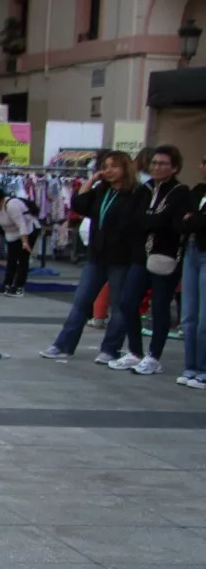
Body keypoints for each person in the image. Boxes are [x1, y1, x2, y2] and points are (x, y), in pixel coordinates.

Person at [41, 151, 146, 362]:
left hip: (122, 257)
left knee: (117, 305)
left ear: (125, 168)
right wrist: (91, 180)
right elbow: (79, 203)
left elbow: (136, 223)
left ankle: (110, 349)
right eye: (105, 166)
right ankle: (63, 345)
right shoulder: (102, 190)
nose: (108, 171)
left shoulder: (137, 193)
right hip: (97, 255)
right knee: (81, 301)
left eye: (113, 166)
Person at [109, 145, 189, 375]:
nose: (156, 167)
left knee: (160, 306)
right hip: (140, 255)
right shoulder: (144, 190)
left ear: (173, 167)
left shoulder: (180, 192)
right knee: (128, 302)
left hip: (166, 256)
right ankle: (135, 351)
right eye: (153, 163)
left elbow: (172, 223)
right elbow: (134, 219)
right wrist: (153, 219)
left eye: (162, 163)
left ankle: (154, 356)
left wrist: (152, 220)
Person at [0, 185, 37, 297]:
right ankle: (7, 284)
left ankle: (19, 287)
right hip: (11, 233)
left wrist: (25, 242)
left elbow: (21, 224)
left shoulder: (11, 205)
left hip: (28, 230)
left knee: (22, 259)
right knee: (11, 259)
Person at [178, 155, 206, 389]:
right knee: (189, 315)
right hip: (191, 250)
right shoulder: (197, 191)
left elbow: (194, 221)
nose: (202, 166)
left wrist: (194, 219)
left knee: (204, 316)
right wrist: (193, 220)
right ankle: (191, 366)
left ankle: (203, 368)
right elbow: (182, 221)